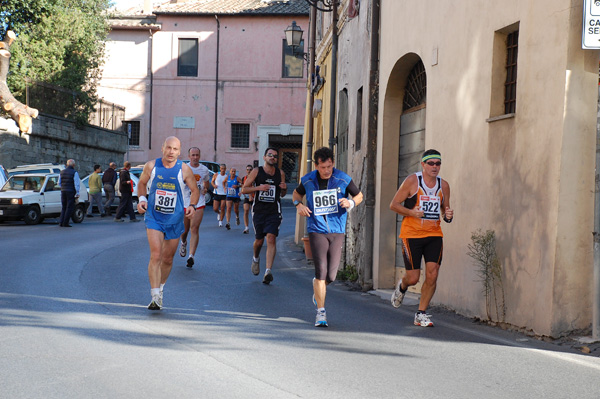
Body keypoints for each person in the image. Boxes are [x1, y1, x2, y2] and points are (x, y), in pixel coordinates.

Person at [293, 147, 363, 327]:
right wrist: (298, 205)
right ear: (316, 165)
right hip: (316, 229)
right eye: (323, 167)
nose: (326, 171)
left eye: (329, 166)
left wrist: (351, 202)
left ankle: (319, 290)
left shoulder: (342, 178)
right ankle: (321, 313)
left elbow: (359, 195)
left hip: (337, 229)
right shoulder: (307, 180)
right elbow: (296, 194)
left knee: (331, 275)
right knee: (321, 271)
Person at [389, 149, 454, 327]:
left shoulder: (444, 185)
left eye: (438, 163)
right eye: (431, 163)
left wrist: (448, 214)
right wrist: (412, 212)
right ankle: (402, 287)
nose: (435, 167)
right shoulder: (412, 181)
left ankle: (421, 313)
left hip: (434, 234)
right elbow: (393, 204)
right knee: (413, 278)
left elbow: (444, 210)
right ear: (423, 165)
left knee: (433, 274)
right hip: (411, 235)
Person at [137, 136, 200, 310]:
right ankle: (154, 295)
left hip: (175, 219)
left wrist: (193, 206)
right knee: (156, 255)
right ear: (163, 148)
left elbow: (195, 190)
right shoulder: (152, 166)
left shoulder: (184, 169)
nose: (171, 152)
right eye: (168, 148)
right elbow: (142, 183)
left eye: (175, 149)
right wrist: (142, 199)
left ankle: (161, 288)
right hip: (154, 217)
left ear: (179, 152)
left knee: (167, 259)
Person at [241, 147, 287, 284]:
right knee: (259, 241)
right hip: (259, 211)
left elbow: (282, 194)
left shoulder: (280, 173)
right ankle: (255, 258)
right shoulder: (257, 171)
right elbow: (244, 189)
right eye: (270, 155)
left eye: (275, 156)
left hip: (274, 211)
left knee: (271, 238)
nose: (272, 157)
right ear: (264, 157)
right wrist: (258, 188)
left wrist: (284, 189)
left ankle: (268, 271)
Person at [179, 147, 211, 268]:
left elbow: (206, 182)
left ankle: (191, 256)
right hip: (185, 202)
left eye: (197, 155)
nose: (195, 157)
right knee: (185, 230)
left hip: (199, 202)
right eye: (193, 155)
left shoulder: (204, 170)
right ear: (189, 156)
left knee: (194, 228)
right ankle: (183, 242)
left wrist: (205, 189)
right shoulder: (183, 168)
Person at [58, 159, 80, 227]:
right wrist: (77, 192)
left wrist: (63, 187)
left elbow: (59, 183)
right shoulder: (74, 172)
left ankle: (61, 222)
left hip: (63, 191)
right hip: (70, 191)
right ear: (74, 165)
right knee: (69, 207)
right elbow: (77, 184)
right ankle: (66, 222)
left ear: (67, 164)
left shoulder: (61, 172)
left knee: (64, 207)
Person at [241, 165, 254, 234]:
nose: (249, 171)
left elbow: (253, 187)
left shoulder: (254, 178)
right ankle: (246, 227)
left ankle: (255, 226)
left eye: (250, 170)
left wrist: (251, 196)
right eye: (248, 170)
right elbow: (244, 187)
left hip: (254, 197)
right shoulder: (244, 178)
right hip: (247, 197)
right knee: (246, 210)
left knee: (253, 213)